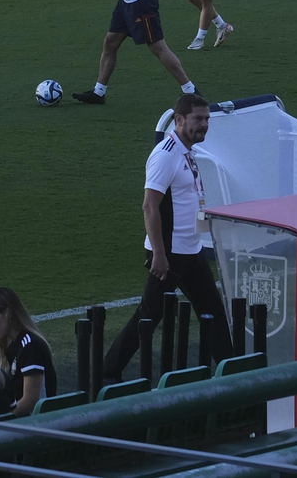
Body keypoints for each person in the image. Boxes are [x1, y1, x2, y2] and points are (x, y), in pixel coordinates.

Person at [103, 93, 233, 380]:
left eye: (207, 119)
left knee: (213, 312)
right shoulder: (166, 155)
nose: (204, 125)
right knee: (149, 316)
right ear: (179, 119)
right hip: (169, 255)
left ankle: (231, 369)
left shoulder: (188, 153)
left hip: (191, 250)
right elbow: (149, 206)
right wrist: (159, 255)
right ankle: (108, 370)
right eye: (198, 119)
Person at [0, 286, 58, 417]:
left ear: (8, 314)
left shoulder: (30, 346)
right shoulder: (15, 346)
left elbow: (29, 401)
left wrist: (2, 420)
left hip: (36, 424)